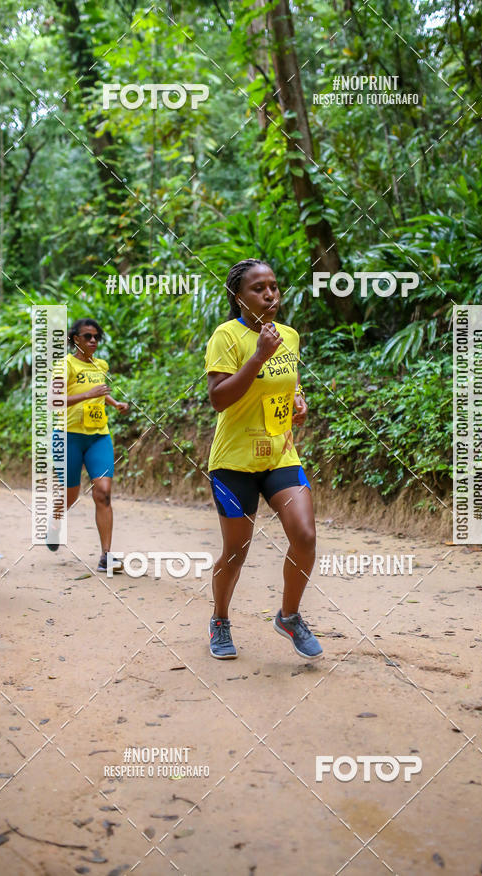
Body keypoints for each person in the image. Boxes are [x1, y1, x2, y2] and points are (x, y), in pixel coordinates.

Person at [204, 258, 322, 661]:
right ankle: (220, 619)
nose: (270, 294)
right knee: (236, 552)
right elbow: (218, 399)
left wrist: (299, 403)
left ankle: (289, 616)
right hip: (233, 462)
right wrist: (257, 356)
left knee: (304, 536)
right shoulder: (226, 336)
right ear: (238, 297)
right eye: (259, 288)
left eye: (274, 286)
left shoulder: (288, 335)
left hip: (279, 455)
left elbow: (288, 386)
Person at [47, 318, 129, 572]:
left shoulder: (100, 365)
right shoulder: (64, 365)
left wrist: (114, 404)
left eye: (96, 337)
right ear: (75, 339)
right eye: (87, 336)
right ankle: (56, 521)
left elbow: (100, 391)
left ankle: (106, 556)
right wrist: (88, 395)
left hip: (98, 436)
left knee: (103, 492)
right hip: (68, 435)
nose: (93, 341)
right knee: (70, 497)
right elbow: (54, 400)